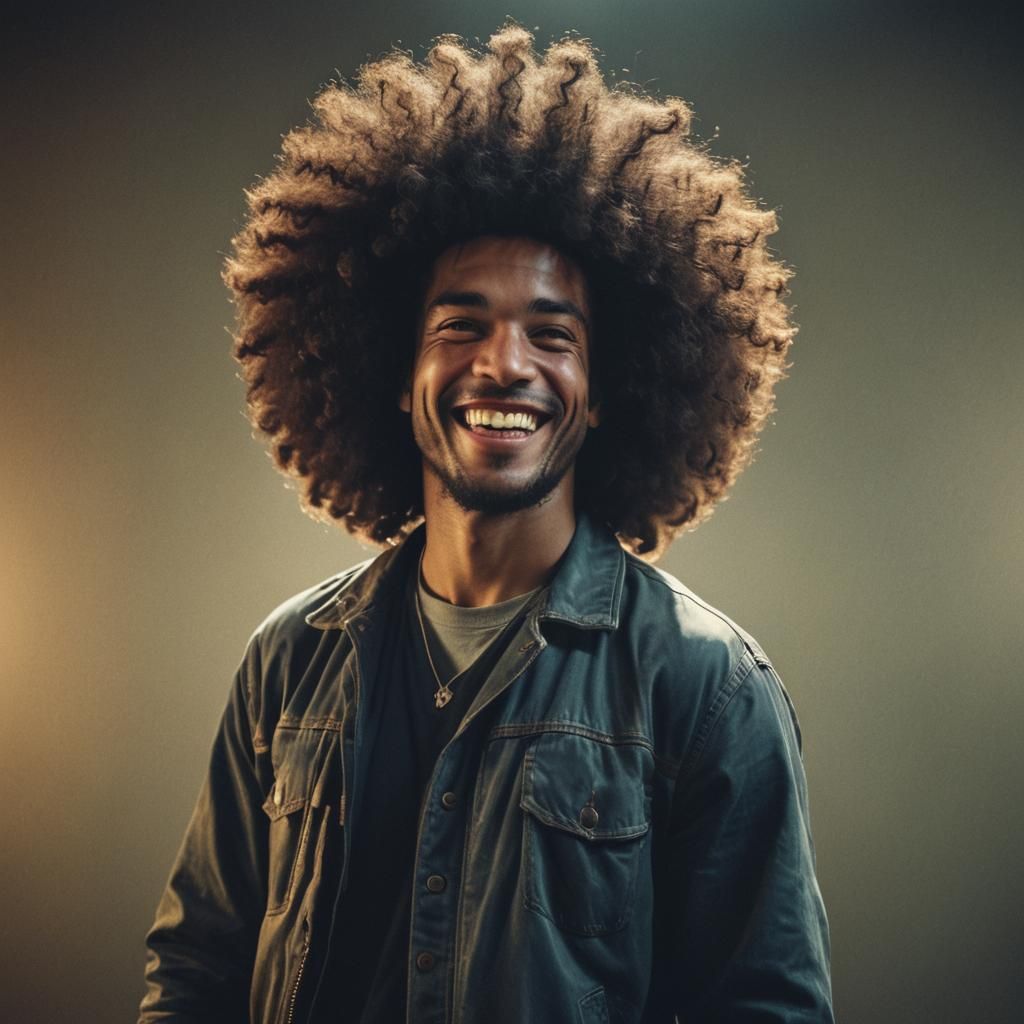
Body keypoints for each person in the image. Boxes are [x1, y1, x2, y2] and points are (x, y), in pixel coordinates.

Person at [139, 24, 833, 1024]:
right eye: (461, 322)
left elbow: (765, 1008)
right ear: (394, 369)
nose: (504, 363)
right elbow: (197, 968)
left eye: (551, 334)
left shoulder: (707, 689)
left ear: (602, 392)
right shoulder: (287, 664)